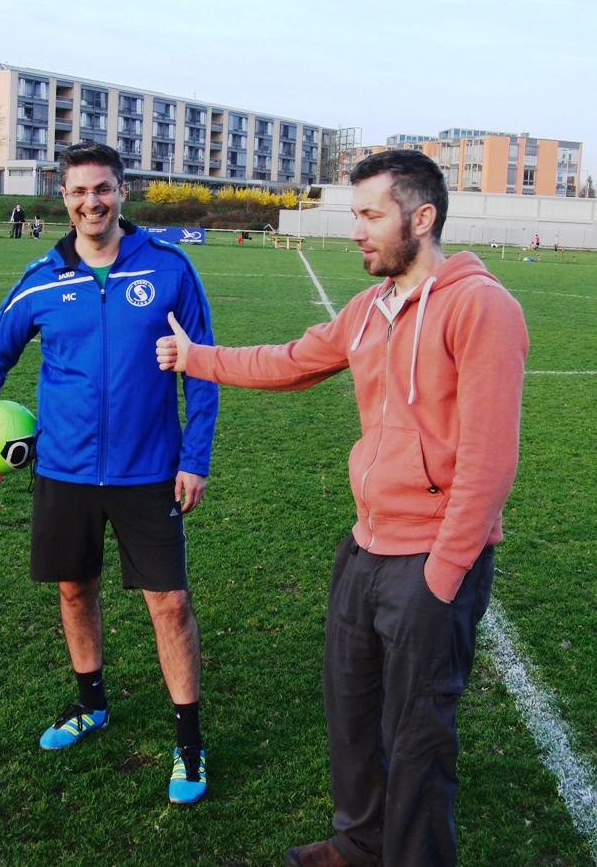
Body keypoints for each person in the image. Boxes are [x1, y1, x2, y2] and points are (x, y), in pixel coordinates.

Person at [156, 150, 529, 866]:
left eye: (370, 215)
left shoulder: (480, 306)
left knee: (418, 739)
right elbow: (291, 360)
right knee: (352, 714)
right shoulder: (369, 308)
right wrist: (197, 357)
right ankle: (360, 844)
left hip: (430, 560)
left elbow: (490, 459)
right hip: (364, 548)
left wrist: (444, 572)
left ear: (421, 217)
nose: (356, 230)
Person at [0, 141, 219, 806]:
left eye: (102, 189)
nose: (91, 202)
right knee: (74, 590)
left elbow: (203, 367)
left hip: (148, 470)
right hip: (64, 470)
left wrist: (194, 458)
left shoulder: (169, 267)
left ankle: (189, 741)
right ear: (63, 198)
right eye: (78, 192)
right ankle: (90, 702)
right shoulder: (41, 278)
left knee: (170, 604)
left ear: (122, 191)